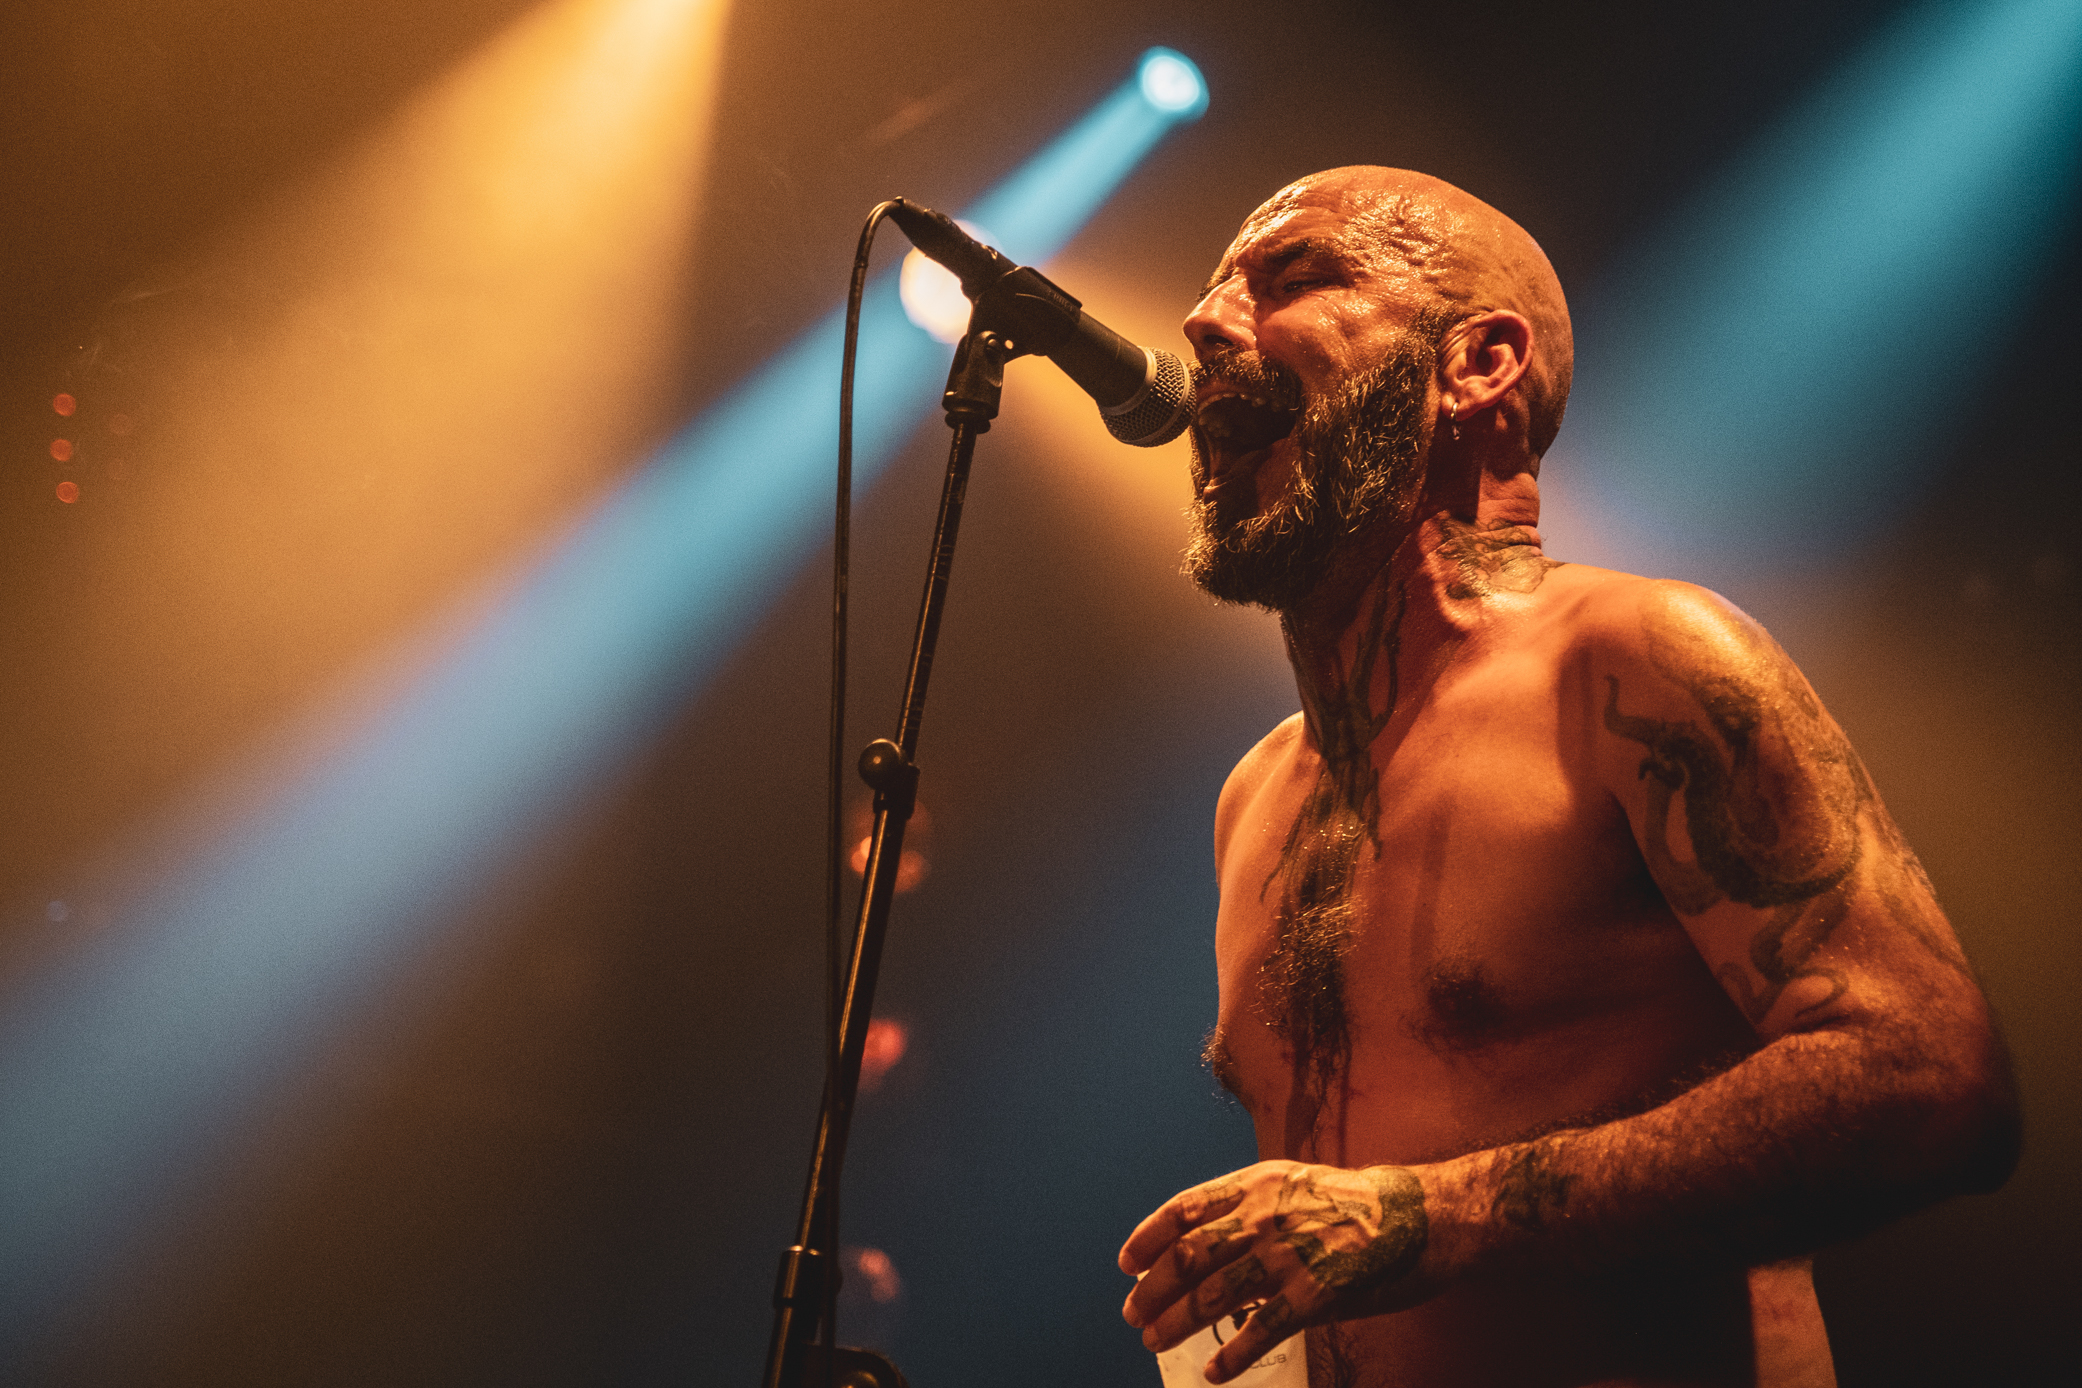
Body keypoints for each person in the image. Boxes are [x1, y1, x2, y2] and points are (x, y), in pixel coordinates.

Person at [1115, 167, 2019, 1388]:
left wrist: (1428, 1215)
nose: (1204, 321)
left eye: (1294, 277)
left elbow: (1931, 1073)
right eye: (1218, 286)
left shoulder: (1635, 663)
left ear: (1479, 365)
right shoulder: (1257, 792)